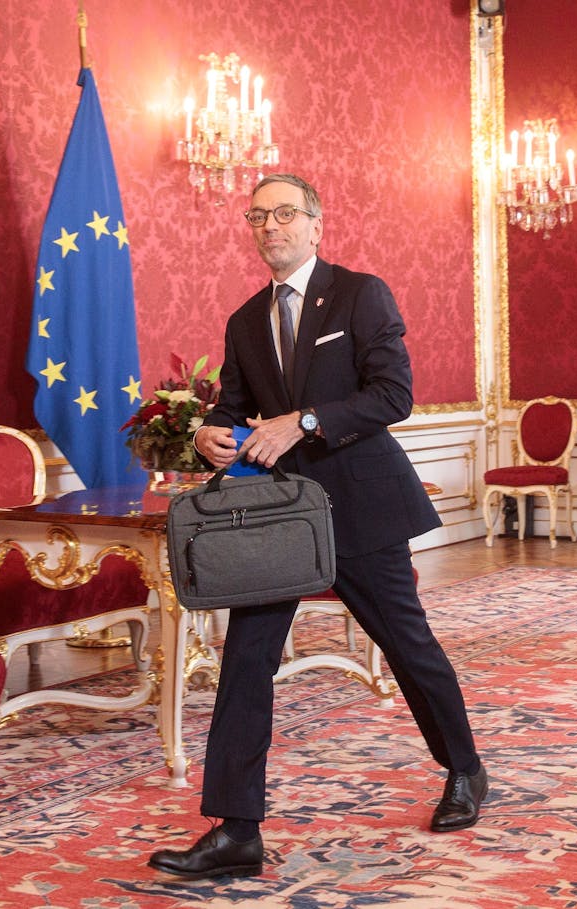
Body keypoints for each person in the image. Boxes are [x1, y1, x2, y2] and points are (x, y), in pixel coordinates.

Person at [147, 173, 486, 881]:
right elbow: (232, 408)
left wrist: (303, 421)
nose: (269, 226)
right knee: (246, 659)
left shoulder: (362, 294)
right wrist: (213, 433)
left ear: (315, 223)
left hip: (362, 505)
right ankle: (237, 829)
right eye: (257, 216)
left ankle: (464, 768)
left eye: (284, 214)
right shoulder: (245, 319)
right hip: (278, 518)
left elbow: (393, 395)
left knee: (407, 643)